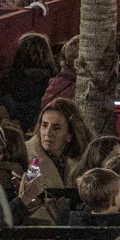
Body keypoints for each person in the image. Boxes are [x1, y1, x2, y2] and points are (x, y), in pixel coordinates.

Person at [25, 97, 90, 226]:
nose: (48, 133)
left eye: (56, 128)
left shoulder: (77, 160)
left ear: (69, 135)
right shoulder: (29, 158)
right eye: (44, 125)